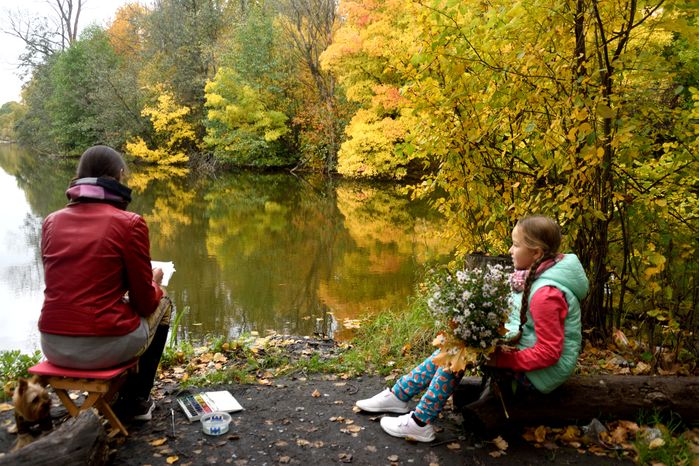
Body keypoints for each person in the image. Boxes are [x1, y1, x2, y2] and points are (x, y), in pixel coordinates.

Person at [355, 215, 589, 442]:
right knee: (459, 345)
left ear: (536, 252)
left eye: (516, 245)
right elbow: (522, 327)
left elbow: (549, 353)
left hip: (543, 373)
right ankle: (400, 394)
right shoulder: (535, 275)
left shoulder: (546, 294)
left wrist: (500, 359)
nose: (509, 250)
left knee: (461, 353)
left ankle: (419, 421)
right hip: (529, 355)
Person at [38, 145, 172, 421]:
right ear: (120, 176)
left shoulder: (50, 222)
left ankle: (119, 397)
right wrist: (154, 281)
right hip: (101, 348)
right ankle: (136, 402)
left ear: (78, 178)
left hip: (52, 344)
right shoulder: (130, 223)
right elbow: (145, 303)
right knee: (164, 304)